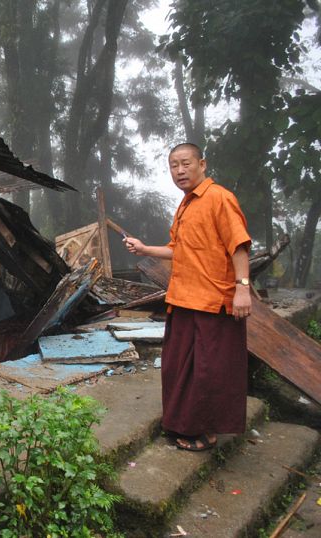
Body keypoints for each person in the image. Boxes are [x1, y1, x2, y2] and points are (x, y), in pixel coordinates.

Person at [123, 143, 252, 452]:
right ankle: (183, 424)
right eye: (173, 166)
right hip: (183, 298)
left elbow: (239, 246)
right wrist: (144, 249)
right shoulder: (186, 205)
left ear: (202, 164)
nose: (179, 171)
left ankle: (205, 433)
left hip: (212, 301)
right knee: (177, 367)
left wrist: (243, 288)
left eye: (185, 164)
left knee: (207, 371)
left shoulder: (219, 199)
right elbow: (177, 249)